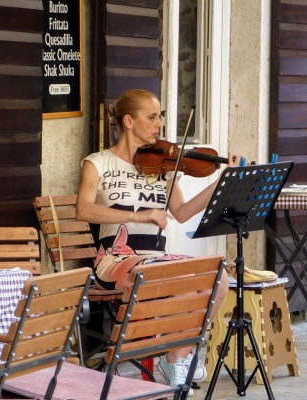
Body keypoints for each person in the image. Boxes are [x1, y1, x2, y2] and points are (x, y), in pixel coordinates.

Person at [76, 88, 241, 394]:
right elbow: (83, 209)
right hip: (114, 260)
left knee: (218, 279)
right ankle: (167, 357)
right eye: (152, 117)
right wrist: (139, 216)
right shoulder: (98, 163)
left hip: (157, 258)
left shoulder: (163, 167)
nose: (158, 125)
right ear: (128, 120)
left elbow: (181, 211)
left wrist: (223, 179)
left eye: (159, 117)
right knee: (150, 275)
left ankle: (176, 356)